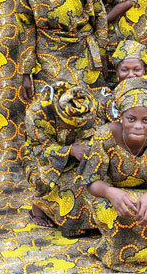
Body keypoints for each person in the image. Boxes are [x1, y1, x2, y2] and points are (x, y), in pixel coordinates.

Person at [77, 76, 147, 272]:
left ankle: (135, 249)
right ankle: (129, 252)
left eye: (146, 120)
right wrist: (111, 193)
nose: (138, 126)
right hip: (109, 193)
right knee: (118, 218)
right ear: (120, 116)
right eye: (131, 119)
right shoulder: (104, 135)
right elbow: (91, 181)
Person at [16, 0, 108, 103]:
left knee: (86, 104)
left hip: (82, 52)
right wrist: (26, 73)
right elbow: (26, 30)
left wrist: (101, 54)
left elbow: (100, 16)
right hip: (48, 57)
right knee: (51, 105)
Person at [22, 82, 102, 236]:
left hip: (77, 158)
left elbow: (94, 134)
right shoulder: (36, 113)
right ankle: (40, 205)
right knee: (70, 187)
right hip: (45, 161)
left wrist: (88, 149)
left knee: (94, 182)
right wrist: (69, 151)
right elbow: (39, 148)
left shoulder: (88, 107)